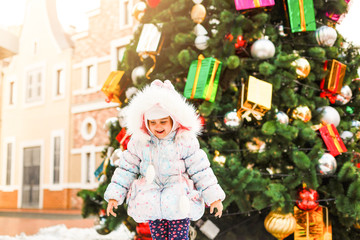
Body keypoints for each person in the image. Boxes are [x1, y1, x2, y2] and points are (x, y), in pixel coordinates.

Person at [104, 80, 225, 240]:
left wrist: (213, 197)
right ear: (145, 122)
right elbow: (126, 169)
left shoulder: (184, 141)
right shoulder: (140, 143)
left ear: (173, 120)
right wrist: (115, 195)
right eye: (152, 122)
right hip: (151, 201)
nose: (158, 126)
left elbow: (201, 170)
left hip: (178, 200)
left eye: (163, 122)